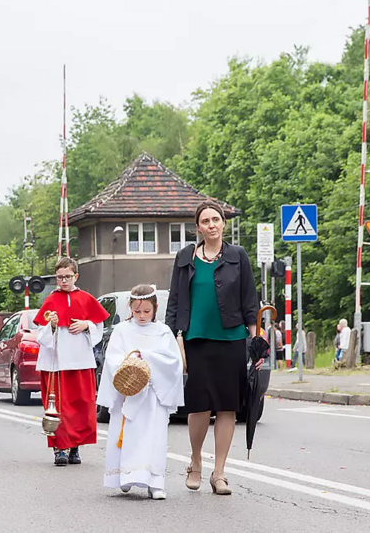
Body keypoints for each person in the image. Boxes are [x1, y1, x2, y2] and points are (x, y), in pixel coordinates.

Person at [166, 200, 261, 496]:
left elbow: (250, 301)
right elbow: (174, 301)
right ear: (198, 228)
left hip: (231, 340)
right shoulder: (185, 258)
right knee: (198, 406)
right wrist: (172, 339)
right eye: (205, 221)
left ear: (223, 223)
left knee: (227, 406)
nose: (211, 224)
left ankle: (219, 472)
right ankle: (195, 461)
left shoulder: (237, 256)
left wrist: (255, 341)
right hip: (196, 340)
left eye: (216, 219)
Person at [97, 285, 184, 500]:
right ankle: (125, 476)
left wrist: (145, 356)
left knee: (153, 437)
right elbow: (113, 358)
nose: (142, 316)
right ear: (130, 308)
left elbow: (173, 361)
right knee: (127, 436)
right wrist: (130, 365)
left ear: (155, 308)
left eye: (147, 311)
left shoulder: (163, 331)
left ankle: (155, 481)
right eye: (137, 311)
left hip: (154, 394)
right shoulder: (122, 330)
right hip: (129, 392)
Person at [34, 257, 109, 466]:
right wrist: (52, 326)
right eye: (59, 277)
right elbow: (41, 336)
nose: (63, 281)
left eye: (67, 277)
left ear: (75, 276)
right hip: (55, 365)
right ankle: (60, 449)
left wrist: (87, 324)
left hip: (80, 362)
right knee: (58, 407)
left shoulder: (86, 299)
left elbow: (98, 330)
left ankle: (75, 447)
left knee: (79, 407)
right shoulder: (50, 301)